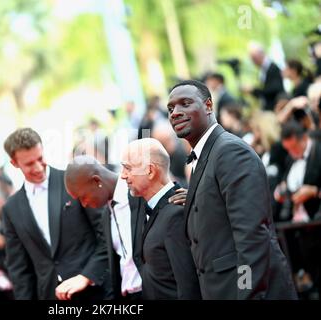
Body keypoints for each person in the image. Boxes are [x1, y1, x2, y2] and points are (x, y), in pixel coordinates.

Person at [167, 79, 297, 299]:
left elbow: (252, 237)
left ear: (208, 106)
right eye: (170, 108)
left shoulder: (229, 152)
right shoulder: (207, 155)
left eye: (185, 103)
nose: (175, 113)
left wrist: (246, 291)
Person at [1, 128, 108, 300]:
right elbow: (19, 269)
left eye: (40, 159)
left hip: (95, 293)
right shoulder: (11, 209)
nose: (37, 168)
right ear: (14, 163)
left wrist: (87, 276)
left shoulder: (73, 181)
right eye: (29, 164)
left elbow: (106, 234)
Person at [120, 138, 201, 300]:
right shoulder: (149, 206)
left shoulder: (176, 213)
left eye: (128, 168)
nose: (122, 176)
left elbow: (188, 285)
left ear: (150, 171)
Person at [64, 155, 144, 300]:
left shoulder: (139, 192)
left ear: (96, 181)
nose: (84, 204)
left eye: (83, 197)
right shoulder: (107, 213)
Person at [244, 43, 285, 111]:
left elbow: (274, 89)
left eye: (254, 58)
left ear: (261, 54)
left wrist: (253, 90)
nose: (253, 61)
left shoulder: (273, 68)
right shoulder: (263, 70)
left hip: (275, 107)